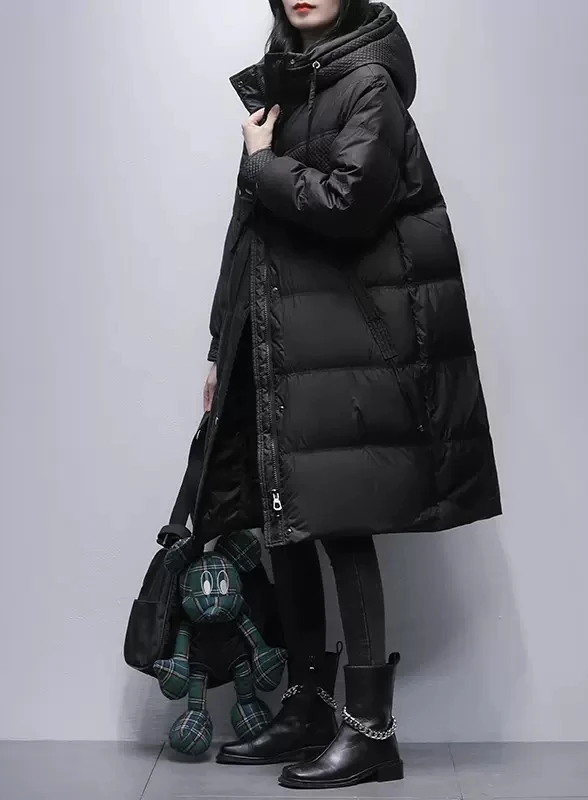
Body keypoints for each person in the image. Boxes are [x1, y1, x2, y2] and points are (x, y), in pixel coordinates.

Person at [191, 0, 501, 790]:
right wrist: (223, 348)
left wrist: (262, 162)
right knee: (284, 519)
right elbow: (249, 234)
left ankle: (370, 734)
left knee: (339, 525)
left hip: (343, 345)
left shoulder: (368, 82)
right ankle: (307, 707)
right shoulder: (290, 84)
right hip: (280, 342)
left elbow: (349, 202)